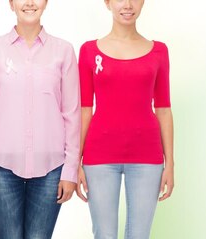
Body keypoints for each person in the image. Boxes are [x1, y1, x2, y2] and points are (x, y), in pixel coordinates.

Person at [0, 0, 81, 238]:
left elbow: (71, 115)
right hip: (2, 167)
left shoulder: (63, 51)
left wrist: (70, 170)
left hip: (52, 168)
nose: (30, 3)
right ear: (11, 3)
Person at [76, 0, 175, 238]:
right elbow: (84, 109)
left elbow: (163, 108)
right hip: (99, 156)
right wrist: (75, 161)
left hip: (147, 157)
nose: (128, 5)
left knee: (139, 235)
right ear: (108, 3)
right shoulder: (89, 51)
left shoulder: (159, 51)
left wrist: (170, 163)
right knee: (104, 234)